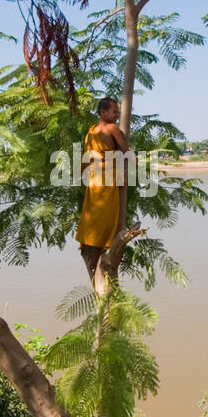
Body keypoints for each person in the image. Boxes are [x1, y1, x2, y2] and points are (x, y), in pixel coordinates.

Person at [75, 96, 129, 279]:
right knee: (107, 216)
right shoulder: (112, 128)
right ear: (103, 112)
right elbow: (125, 150)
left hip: (93, 177)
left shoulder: (92, 131)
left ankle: (92, 251)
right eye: (114, 111)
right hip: (106, 176)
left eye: (117, 111)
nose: (116, 115)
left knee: (94, 215)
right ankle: (102, 251)